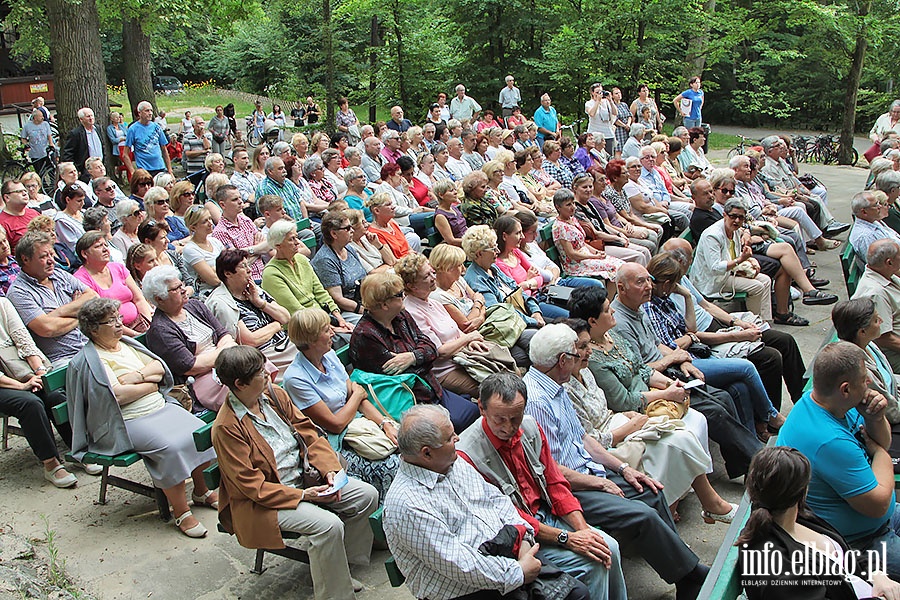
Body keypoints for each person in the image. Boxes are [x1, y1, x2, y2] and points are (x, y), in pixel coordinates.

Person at [521, 324, 712, 597]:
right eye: (575, 355)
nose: (580, 359)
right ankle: (690, 574)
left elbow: (583, 439)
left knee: (651, 491)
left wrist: (623, 468)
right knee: (642, 514)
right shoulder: (537, 401)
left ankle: (684, 575)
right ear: (562, 361)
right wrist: (599, 484)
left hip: (587, 469)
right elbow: (550, 469)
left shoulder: (557, 386)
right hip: (569, 487)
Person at [212, 345, 377, 600]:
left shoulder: (274, 396)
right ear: (240, 384)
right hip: (265, 502)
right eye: (260, 372)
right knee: (328, 525)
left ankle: (340, 566)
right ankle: (336, 594)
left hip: (304, 478)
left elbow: (310, 434)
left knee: (366, 495)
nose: (268, 373)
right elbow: (251, 486)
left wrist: (329, 469)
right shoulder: (227, 427)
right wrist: (304, 496)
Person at [384, 404, 591, 600]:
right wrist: (517, 572)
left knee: (577, 593)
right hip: (468, 589)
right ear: (426, 453)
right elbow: (458, 564)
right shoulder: (407, 504)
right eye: (449, 438)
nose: (457, 438)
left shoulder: (451, 464)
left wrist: (524, 537)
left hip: (512, 555)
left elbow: (497, 500)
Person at [456, 372, 628, 599]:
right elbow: (507, 516)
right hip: (520, 536)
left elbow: (555, 482)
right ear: (481, 408)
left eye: (515, 418)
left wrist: (584, 531)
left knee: (608, 547)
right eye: (499, 419)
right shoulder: (467, 454)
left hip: (546, 515)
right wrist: (568, 538)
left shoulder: (529, 427)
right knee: (594, 563)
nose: (508, 427)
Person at [561, 315, 736, 523]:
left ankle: (708, 504)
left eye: (588, 344)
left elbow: (606, 407)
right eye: (582, 347)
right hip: (608, 446)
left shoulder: (586, 370)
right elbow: (590, 440)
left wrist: (627, 417)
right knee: (673, 443)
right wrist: (630, 425)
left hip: (621, 422)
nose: (589, 351)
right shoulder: (564, 388)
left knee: (682, 435)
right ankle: (701, 506)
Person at [596, 265, 765, 478]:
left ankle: (746, 461)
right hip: (657, 380)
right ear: (621, 288)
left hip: (669, 370)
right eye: (640, 282)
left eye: (649, 280)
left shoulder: (639, 308)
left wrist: (682, 359)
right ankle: (761, 462)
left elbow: (657, 345)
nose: (649, 286)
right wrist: (672, 363)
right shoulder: (618, 322)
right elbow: (638, 370)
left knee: (730, 392)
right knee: (718, 404)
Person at [69, 297, 217, 536]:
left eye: (119, 318)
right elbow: (117, 396)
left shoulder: (127, 345)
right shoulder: (91, 360)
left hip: (160, 406)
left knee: (199, 432)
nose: (119, 324)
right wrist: (149, 384)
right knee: (170, 447)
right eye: (111, 321)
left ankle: (202, 492)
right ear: (94, 329)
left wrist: (138, 377)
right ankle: (181, 513)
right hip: (127, 420)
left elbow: (159, 369)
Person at [778, 341, 900, 579]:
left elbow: (883, 441)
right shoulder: (828, 440)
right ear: (845, 388)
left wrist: (875, 418)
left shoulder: (835, 402)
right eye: (864, 378)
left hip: (880, 522)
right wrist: (880, 454)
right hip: (861, 544)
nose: (868, 383)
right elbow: (877, 506)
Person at [643, 253, 785, 439]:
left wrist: (686, 296)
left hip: (693, 351)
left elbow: (690, 329)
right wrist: (689, 341)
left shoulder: (666, 300)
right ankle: (772, 415)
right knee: (747, 368)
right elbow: (668, 344)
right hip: (682, 363)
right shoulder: (650, 307)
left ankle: (750, 444)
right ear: (668, 283)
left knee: (739, 387)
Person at [738, 446, 900, 599]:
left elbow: (850, 556)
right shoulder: (776, 565)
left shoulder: (800, 516)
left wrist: (877, 574)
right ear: (803, 491)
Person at [663, 237, 807, 405]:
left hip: (721, 325)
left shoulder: (681, 277)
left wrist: (735, 322)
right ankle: (769, 419)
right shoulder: (665, 293)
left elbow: (706, 305)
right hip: (709, 340)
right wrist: (739, 336)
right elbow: (692, 335)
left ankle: (803, 400)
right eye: (690, 260)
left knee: (785, 340)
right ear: (681, 261)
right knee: (770, 358)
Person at [282, 308, 400, 502]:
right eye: (326, 330)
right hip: (334, 443)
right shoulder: (296, 379)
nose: (333, 333)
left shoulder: (328, 356)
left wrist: (384, 424)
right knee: (391, 465)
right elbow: (335, 424)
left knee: (407, 445)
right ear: (311, 340)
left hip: (358, 424)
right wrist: (355, 397)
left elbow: (359, 398)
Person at [349, 271, 480, 432]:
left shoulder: (401, 315)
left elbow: (431, 346)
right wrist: (422, 357)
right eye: (399, 294)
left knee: (474, 412)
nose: (404, 296)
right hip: (409, 402)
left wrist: (413, 356)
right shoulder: (366, 336)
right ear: (384, 304)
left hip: (432, 389)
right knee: (458, 423)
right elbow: (405, 376)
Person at [693, 199, 836, 326]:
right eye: (733, 216)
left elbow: (742, 239)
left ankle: (765, 321)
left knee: (766, 280)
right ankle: (752, 323)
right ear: (724, 215)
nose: (737, 220)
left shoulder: (735, 229)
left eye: (740, 218)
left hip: (730, 272)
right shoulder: (713, 235)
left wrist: (746, 259)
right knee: (756, 287)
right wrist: (741, 260)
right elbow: (715, 268)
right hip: (713, 280)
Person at [397, 253, 498, 396]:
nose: (433, 278)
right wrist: (468, 338)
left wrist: (471, 342)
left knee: (507, 370)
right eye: (426, 276)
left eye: (432, 272)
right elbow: (439, 352)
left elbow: (457, 331)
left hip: (464, 356)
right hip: (445, 370)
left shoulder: (433, 302)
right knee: (495, 390)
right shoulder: (412, 312)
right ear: (411, 286)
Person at [0, 293, 74, 487]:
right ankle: (51, 463)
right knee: (29, 403)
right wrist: (22, 386)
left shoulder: (3, 303)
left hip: (23, 371)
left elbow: (24, 340)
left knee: (54, 394)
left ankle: (78, 449)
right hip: (4, 383)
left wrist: (39, 372)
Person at [143, 266, 236, 411]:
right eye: (176, 289)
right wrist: (226, 351)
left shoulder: (195, 305)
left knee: (256, 367)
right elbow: (191, 366)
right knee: (246, 381)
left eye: (182, 285)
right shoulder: (160, 331)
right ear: (159, 298)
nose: (184, 290)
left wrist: (226, 349)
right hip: (202, 380)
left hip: (227, 362)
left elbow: (224, 334)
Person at [205, 249, 292, 380]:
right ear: (228, 273)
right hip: (265, 355)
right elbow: (249, 341)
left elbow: (285, 317)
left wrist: (260, 303)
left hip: (285, 343)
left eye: (248, 265)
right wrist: (276, 325)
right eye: (243, 266)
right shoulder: (222, 303)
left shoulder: (252, 289)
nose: (250, 270)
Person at [463, 225, 543, 366]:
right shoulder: (476, 280)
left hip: (522, 317)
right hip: (509, 327)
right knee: (543, 342)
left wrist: (535, 311)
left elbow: (517, 290)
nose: (498, 251)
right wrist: (533, 321)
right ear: (479, 253)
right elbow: (501, 313)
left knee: (559, 323)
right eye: (493, 249)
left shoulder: (493, 268)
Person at [261, 220, 354, 331]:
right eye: (292, 239)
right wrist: (332, 329)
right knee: (352, 336)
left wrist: (339, 318)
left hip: (326, 317)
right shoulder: (271, 274)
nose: (298, 243)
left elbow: (320, 291)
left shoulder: (301, 259)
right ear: (278, 245)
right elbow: (296, 311)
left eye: (297, 237)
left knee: (359, 324)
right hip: (306, 328)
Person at [833, 298, 900, 425]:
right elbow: (890, 413)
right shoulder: (857, 367)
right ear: (862, 331)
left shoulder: (869, 345)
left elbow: (890, 380)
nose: (881, 321)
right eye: (876, 320)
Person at [74, 230, 153, 336]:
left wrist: (148, 325)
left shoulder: (118, 267)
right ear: (84, 253)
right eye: (98, 246)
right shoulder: (80, 280)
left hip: (141, 323)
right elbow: (102, 317)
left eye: (106, 245)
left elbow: (139, 299)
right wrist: (135, 335)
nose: (105, 249)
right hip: (113, 333)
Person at [494, 215, 569, 319]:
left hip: (543, 293)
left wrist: (526, 283)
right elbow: (517, 295)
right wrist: (530, 281)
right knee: (568, 316)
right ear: (504, 236)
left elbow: (540, 277)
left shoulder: (516, 252)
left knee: (578, 303)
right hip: (532, 304)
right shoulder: (499, 264)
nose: (522, 237)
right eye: (517, 233)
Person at [552, 189, 624, 282]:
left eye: (573, 203)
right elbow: (572, 254)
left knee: (620, 265)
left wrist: (596, 252)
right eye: (568, 205)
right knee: (613, 267)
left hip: (586, 256)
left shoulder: (572, 219)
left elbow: (581, 243)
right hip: (575, 264)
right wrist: (594, 257)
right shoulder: (560, 227)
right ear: (558, 207)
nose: (573, 207)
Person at [310, 211, 368, 324]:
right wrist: (363, 310)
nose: (352, 231)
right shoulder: (325, 260)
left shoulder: (349, 248)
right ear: (334, 234)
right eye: (347, 228)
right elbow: (338, 299)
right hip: (345, 312)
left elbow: (364, 277)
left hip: (364, 300)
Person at [852, 239, 900, 373]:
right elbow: (883, 338)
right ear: (889, 262)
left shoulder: (886, 273)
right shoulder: (876, 293)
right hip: (893, 354)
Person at [182, 205, 224, 297]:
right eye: (205, 221)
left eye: (210, 218)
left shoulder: (215, 242)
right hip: (209, 294)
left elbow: (233, 264)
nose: (210, 223)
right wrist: (222, 271)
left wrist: (213, 269)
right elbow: (214, 280)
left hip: (226, 288)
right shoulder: (190, 249)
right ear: (193, 228)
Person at [123, 101, 172, 177]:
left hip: (160, 167)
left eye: (151, 110)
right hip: (144, 169)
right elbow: (125, 154)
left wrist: (170, 170)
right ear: (139, 113)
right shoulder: (133, 129)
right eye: (147, 111)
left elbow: (164, 150)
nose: (150, 113)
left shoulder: (157, 127)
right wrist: (132, 171)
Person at [849, 191, 900, 262]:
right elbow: (880, 266)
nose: (879, 206)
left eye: (878, 203)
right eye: (876, 205)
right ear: (864, 212)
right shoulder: (865, 236)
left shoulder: (873, 221)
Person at [61, 107, 103, 181]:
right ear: (81, 119)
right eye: (88, 116)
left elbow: (103, 146)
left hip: (100, 167)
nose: (91, 118)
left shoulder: (98, 129)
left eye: (92, 115)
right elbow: (68, 153)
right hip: (85, 171)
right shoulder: (75, 133)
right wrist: (76, 169)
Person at [0, 180, 40, 249]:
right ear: (7, 197)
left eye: (25, 190)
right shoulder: (2, 223)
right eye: (19, 191)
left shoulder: (34, 213)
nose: (24, 193)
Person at [53, 184, 87, 255]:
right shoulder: (61, 221)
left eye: (83, 200)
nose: (83, 203)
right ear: (68, 200)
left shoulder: (84, 213)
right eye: (79, 201)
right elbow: (73, 247)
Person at [21, 108, 55, 175]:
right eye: (40, 116)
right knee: (39, 172)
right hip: (35, 153)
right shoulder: (27, 126)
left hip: (46, 152)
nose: (43, 118)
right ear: (35, 117)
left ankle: (51, 184)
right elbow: (23, 138)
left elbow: (49, 135)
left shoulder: (45, 124)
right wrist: (26, 144)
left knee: (51, 170)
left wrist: (51, 144)